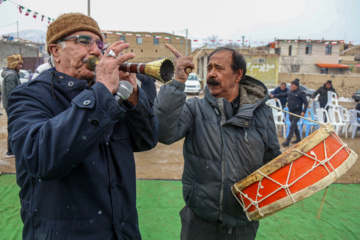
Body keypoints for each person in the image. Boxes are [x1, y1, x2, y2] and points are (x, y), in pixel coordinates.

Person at [7, 13, 158, 240]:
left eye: (100, 44)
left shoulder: (105, 93)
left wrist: (133, 94)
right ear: (56, 51)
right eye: (84, 41)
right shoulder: (28, 96)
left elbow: (146, 140)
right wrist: (103, 90)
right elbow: (40, 158)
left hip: (122, 232)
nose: (97, 51)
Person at [154, 47, 281, 240]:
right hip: (199, 222)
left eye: (219, 68)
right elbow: (163, 132)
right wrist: (177, 81)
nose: (211, 73)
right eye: (210, 68)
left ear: (238, 74)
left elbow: (272, 161)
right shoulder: (194, 109)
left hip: (243, 225)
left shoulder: (262, 114)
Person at [1, 54, 23, 157]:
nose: (21, 66)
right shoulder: (11, 75)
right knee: (13, 127)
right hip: (12, 106)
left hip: (10, 105)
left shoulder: (11, 74)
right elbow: (12, 94)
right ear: (14, 64)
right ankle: (11, 151)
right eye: (19, 63)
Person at [281, 78, 308, 147]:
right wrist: (273, 95)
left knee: (292, 126)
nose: (291, 86)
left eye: (292, 85)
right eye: (291, 85)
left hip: (297, 112)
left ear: (296, 86)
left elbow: (306, 103)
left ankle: (287, 141)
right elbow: (283, 94)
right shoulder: (290, 92)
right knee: (294, 126)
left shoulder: (301, 93)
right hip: (291, 111)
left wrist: (303, 111)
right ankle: (298, 138)